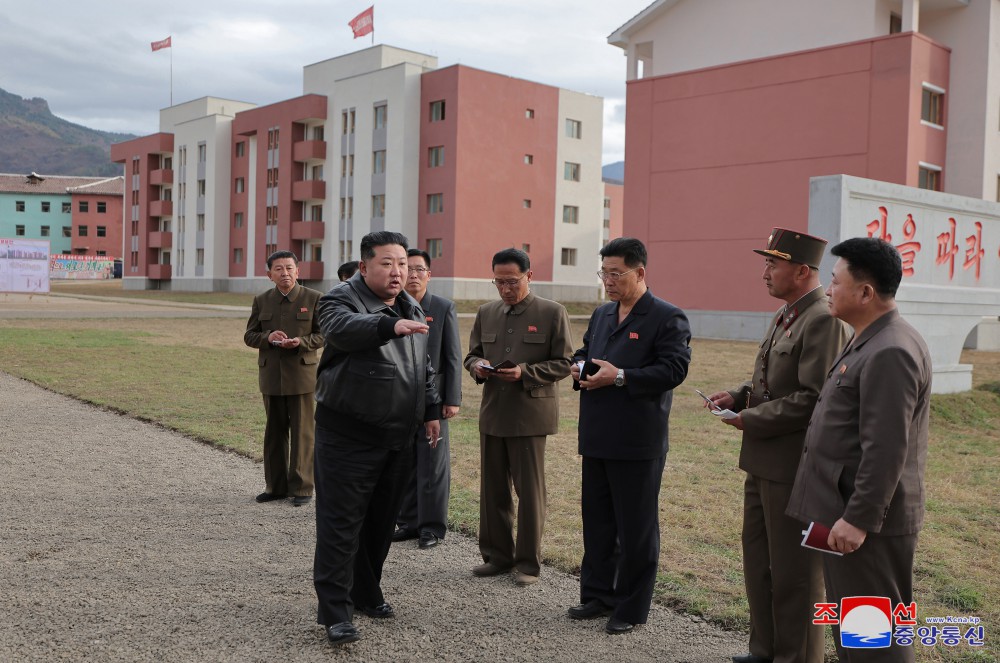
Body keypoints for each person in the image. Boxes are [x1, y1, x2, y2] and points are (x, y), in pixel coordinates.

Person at [705, 228, 849, 663]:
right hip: (764, 462)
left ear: (802, 270)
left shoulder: (822, 318)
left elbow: (813, 398)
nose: (764, 271)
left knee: (796, 574)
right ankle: (764, 649)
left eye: (773, 263)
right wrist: (740, 395)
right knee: (760, 563)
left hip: (796, 467)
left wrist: (749, 419)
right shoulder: (788, 313)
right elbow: (773, 382)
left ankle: (797, 656)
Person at [786, 237, 931, 663]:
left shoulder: (891, 350)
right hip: (845, 512)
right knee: (856, 634)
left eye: (834, 281)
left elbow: (887, 449)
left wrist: (858, 519)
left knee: (875, 640)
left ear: (865, 293)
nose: (827, 289)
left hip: (866, 523)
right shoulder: (868, 338)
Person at [312, 231, 442, 646]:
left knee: (380, 523)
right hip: (348, 435)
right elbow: (343, 331)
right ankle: (335, 611)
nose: (398, 271)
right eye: (387, 263)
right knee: (341, 524)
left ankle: (366, 593)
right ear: (364, 266)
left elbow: (425, 367)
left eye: (402, 263)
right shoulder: (339, 300)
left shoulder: (410, 304)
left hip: (398, 436)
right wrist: (389, 326)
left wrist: (432, 410)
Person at [566, 237, 691, 635]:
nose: (608, 281)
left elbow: (673, 370)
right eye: (604, 273)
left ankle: (631, 607)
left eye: (616, 273)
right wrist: (578, 366)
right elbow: (583, 351)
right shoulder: (603, 314)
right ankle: (598, 595)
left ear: (640, 273)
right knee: (598, 521)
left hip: (637, 440)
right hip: (598, 434)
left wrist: (619, 376)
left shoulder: (667, 317)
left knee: (636, 528)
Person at [464, 248, 573, 586]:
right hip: (493, 412)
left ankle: (527, 564)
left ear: (529, 276)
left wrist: (525, 372)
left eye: (512, 281)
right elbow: (472, 355)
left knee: (529, 492)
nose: (505, 288)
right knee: (492, 490)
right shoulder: (486, 312)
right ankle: (497, 556)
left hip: (530, 415)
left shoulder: (552, 312)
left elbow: (565, 363)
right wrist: (477, 367)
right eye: (499, 282)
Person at [393, 249, 462, 549]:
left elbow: (453, 357)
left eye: (420, 269)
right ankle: (408, 522)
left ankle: (431, 527)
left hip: (435, 401)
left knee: (432, 464)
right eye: (409, 269)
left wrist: (452, 398)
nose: (414, 275)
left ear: (429, 275)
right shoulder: (393, 307)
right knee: (405, 461)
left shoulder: (443, 307)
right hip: (400, 399)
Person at [243, 250, 324, 506]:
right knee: (274, 433)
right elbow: (249, 335)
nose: (285, 273)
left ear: (298, 271)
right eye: (278, 269)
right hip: (271, 376)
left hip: (302, 375)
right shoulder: (262, 300)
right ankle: (275, 487)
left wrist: (301, 341)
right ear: (269, 275)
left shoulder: (314, 298)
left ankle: (302, 488)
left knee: (303, 433)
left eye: (289, 268)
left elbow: (324, 335)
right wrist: (267, 338)